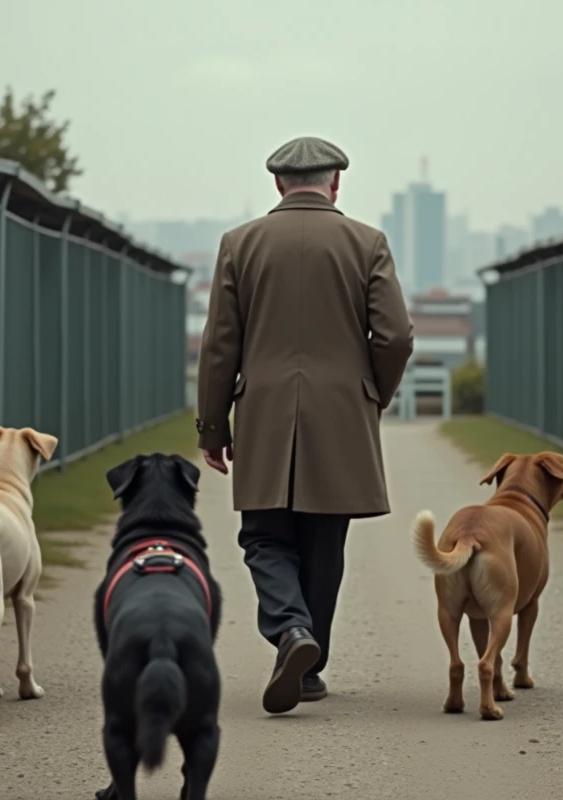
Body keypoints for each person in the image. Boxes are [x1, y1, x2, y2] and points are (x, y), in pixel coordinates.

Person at [196, 135, 414, 714]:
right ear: (335, 182)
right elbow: (395, 336)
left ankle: (291, 630)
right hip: (341, 414)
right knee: (324, 540)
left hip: (264, 412)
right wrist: (371, 394)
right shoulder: (367, 242)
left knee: (264, 535)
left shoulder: (239, 244)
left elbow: (220, 345)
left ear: (277, 183)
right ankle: (309, 667)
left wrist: (212, 428)